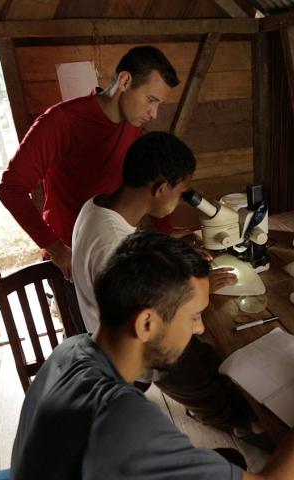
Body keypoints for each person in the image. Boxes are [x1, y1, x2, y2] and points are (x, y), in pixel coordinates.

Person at [11, 231, 294, 480]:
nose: (200, 329)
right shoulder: (126, 423)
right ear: (146, 322)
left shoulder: (69, 351)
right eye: (193, 316)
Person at [72, 131, 246, 434]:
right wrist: (198, 290)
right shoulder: (111, 244)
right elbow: (152, 318)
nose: (180, 201)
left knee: (213, 358)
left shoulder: (97, 207)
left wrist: (168, 244)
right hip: (138, 349)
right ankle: (235, 424)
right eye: (181, 192)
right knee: (214, 390)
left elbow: (129, 248)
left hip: (113, 329)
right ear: (162, 188)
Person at [0, 46, 179, 334]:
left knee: (131, 339)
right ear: (125, 82)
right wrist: (56, 249)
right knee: (89, 348)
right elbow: (11, 188)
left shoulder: (133, 124)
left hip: (116, 251)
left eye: (158, 105)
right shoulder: (61, 122)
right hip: (72, 260)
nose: (153, 114)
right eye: (151, 100)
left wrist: (168, 239)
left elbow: (147, 181)